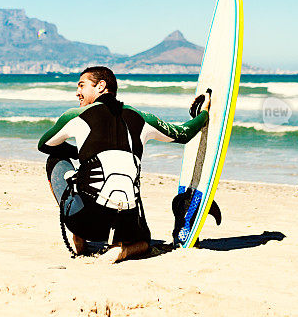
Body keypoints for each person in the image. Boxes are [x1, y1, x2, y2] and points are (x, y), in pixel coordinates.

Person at [38, 66, 211, 263]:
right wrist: (204, 113)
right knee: (145, 240)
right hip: (126, 226)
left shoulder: (76, 115)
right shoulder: (143, 118)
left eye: (82, 85)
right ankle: (123, 250)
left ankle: (79, 237)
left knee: (54, 160)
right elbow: (184, 134)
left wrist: (81, 153)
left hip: (84, 221)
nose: (77, 92)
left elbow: (45, 144)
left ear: (101, 86)